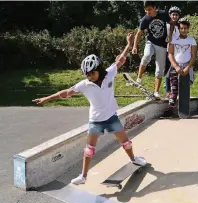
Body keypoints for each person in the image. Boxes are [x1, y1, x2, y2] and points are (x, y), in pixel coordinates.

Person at [32, 33, 147, 185]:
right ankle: (83, 176)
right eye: (87, 74)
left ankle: (134, 159)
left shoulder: (109, 74)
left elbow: (120, 61)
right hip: (96, 121)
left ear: (98, 69)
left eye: (92, 73)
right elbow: (66, 93)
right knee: (89, 149)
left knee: (126, 142)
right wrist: (46, 99)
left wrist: (129, 43)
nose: (89, 76)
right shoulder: (84, 84)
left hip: (112, 118)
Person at [132, 1, 175, 99]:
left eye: (150, 9)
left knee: (160, 70)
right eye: (146, 10)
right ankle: (138, 78)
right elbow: (138, 33)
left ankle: (156, 92)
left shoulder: (163, 14)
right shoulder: (145, 19)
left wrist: (170, 36)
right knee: (146, 56)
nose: (148, 12)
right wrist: (134, 46)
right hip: (150, 42)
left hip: (162, 45)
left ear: (155, 8)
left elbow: (172, 23)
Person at [166, 17, 197, 113]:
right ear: (179, 28)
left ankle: (184, 109)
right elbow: (170, 54)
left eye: (185, 28)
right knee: (174, 88)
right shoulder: (174, 40)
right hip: (175, 66)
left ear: (188, 29)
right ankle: (170, 108)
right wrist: (176, 66)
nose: (183, 30)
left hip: (187, 66)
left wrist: (188, 67)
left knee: (184, 89)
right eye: (181, 28)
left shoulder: (192, 41)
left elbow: (193, 56)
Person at [164, 6, 181, 97]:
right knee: (169, 70)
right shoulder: (166, 25)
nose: (174, 17)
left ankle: (174, 89)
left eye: (176, 15)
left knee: (175, 70)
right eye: (173, 15)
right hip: (168, 50)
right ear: (170, 15)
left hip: (177, 51)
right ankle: (167, 90)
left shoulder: (179, 27)